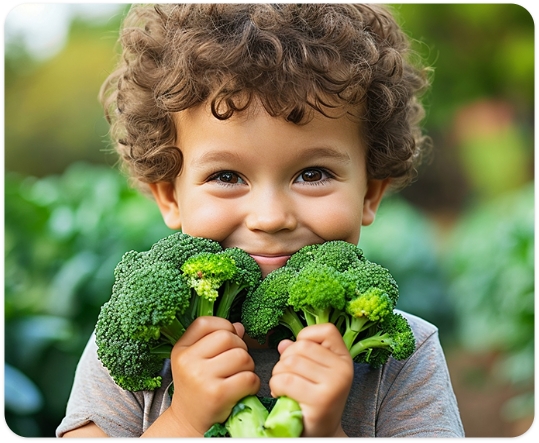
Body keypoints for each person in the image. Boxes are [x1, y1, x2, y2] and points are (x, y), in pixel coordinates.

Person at [56, 3, 464, 438]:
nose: (270, 218)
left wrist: (325, 433)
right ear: (170, 195)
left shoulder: (404, 355)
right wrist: (183, 421)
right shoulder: (134, 343)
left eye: (313, 174)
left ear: (370, 192)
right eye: (226, 176)